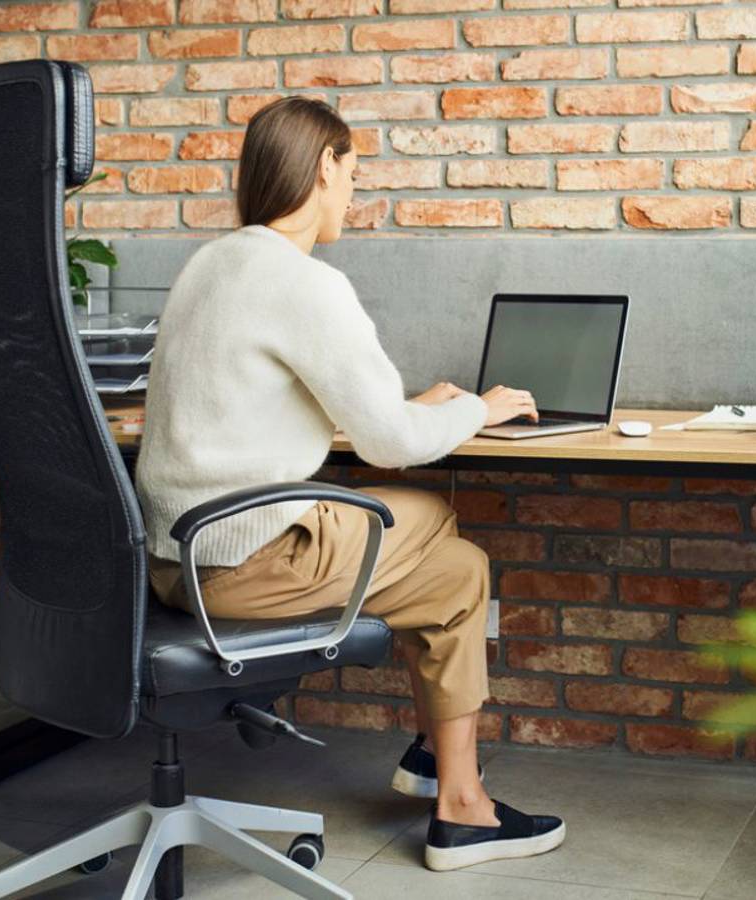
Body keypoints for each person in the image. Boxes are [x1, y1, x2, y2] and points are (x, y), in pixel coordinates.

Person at [135, 96, 566, 872]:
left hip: (171, 564)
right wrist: (477, 406)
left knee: (456, 574)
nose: (354, 195)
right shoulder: (305, 283)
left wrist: (421, 407)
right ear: (325, 165)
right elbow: (393, 447)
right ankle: (457, 800)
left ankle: (447, 774)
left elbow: (275, 405)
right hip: (248, 562)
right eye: (355, 174)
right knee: (436, 516)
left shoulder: (210, 264)